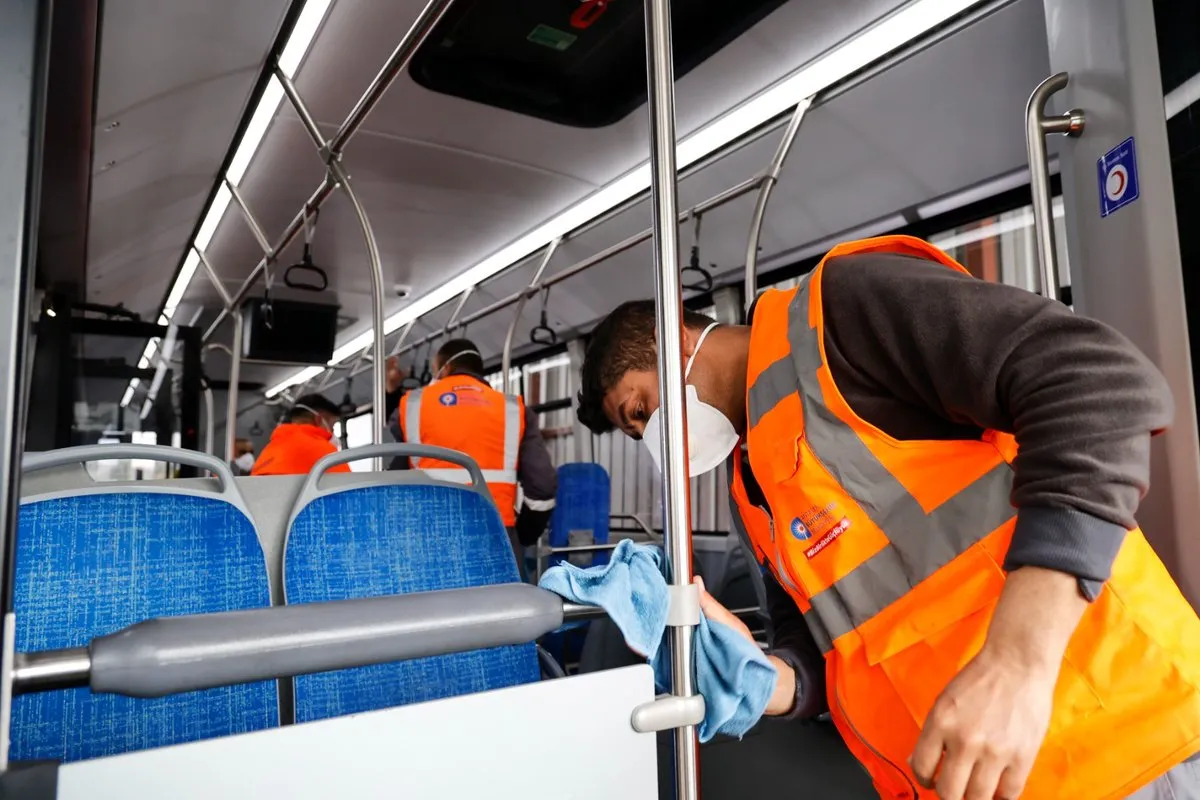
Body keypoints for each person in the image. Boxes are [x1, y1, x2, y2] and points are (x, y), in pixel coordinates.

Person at [575, 235, 1200, 800]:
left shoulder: (837, 314)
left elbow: (1099, 386)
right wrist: (769, 680)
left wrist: (1015, 661)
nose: (653, 436)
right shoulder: (751, 485)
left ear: (675, 339)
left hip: (1123, 746)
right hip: (962, 779)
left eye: (641, 409)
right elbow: (828, 649)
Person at [384, 340, 557, 579]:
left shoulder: (413, 405)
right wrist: (522, 535)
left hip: (426, 541)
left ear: (444, 368)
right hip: (496, 538)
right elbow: (543, 486)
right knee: (504, 604)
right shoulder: (513, 410)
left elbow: (390, 473)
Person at [250, 393, 350, 476]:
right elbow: (347, 488)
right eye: (332, 425)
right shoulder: (324, 452)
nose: (332, 431)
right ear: (318, 419)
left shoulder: (269, 450)